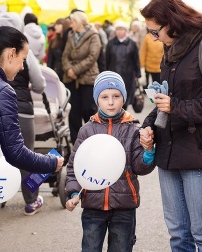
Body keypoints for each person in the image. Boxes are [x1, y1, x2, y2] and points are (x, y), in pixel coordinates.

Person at [139, 0, 202, 252]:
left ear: (171, 22)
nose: (153, 38)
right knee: (178, 235)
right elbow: (163, 98)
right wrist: (147, 125)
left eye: (155, 31)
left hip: (200, 153)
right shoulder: (169, 50)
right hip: (168, 152)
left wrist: (177, 108)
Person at [0, 24, 64, 252]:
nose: (23, 65)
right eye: (23, 59)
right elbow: (15, 152)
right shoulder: (1, 90)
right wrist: (52, 163)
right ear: (10, 54)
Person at [65, 71, 156, 252]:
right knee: (90, 248)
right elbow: (74, 166)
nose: (111, 102)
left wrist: (148, 151)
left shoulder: (133, 130)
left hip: (124, 206)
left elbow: (140, 167)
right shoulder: (86, 130)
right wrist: (74, 193)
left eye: (116, 96)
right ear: (96, 99)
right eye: (104, 97)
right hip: (93, 205)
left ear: (124, 97)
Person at [0, 13, 48, 228]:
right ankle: (31, 201)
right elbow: (40, 84)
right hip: (21, 109)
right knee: (25, 155)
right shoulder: (23, 50)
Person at [62, 11, 101, 144]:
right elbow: (65, 55)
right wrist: (69, 70)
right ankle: (76, 142)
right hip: (71, 79)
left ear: (78, 22)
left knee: (88, 110)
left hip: (87, 78)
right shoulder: (71, 35)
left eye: (72, 21)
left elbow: (92, 56)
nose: (70, 24)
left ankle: (91, 139)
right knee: (73, 113)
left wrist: (76, 70)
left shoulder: (94, 35)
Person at [105, 20, 141, 109]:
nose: (119, 31)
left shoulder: (132, 44)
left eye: (121, 29)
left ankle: (123, 118)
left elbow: (136, 60)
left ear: (126, 31)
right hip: (113, 75)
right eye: (117, 29)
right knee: (114, 99)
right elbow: (106, 60)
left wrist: (137, 74)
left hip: (128, 76)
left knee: (125, 99)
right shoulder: (110, 43)